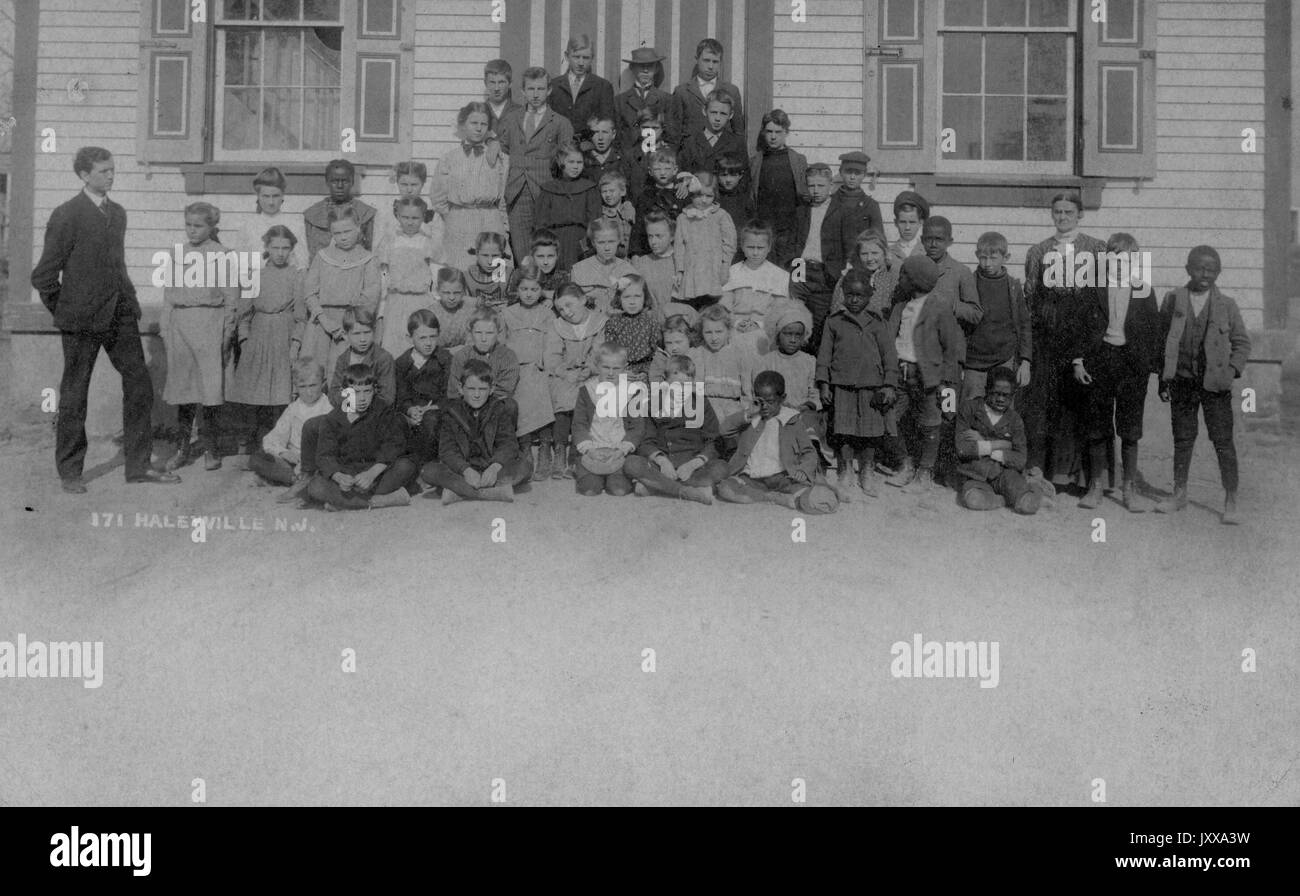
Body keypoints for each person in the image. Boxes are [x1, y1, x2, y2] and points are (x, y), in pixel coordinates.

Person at [32, 147, 180, 491]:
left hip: (119, 315)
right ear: (84, 175)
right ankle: (70, 472)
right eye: (103, 172)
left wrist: (130, 301)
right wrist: (67, 311)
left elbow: (118, 265)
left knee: (140, 384)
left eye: (112, 170)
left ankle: (139, 465)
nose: (110, 176)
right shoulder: (66, 214)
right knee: (75, 393)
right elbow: (44, 276)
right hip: (80, 321)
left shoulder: (118, 213)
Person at [1064, 232, 1162, 512]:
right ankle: (1095, 485)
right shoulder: (1093, 289)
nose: (1119, 265)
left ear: (1135, 261)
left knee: (1130, 429)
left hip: (1131, 366)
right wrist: (1078, 362)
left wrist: (1148, 368)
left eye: (1126, 260)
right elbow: (1079, 329)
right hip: (1100, 361)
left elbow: (1152, 332)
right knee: (1097, 426)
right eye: (1114, 259)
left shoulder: (1144, 290)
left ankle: (1129, 489)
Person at [1155, 245, 1251, 524]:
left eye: (1211, 269)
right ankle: (1179, 494)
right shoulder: (1174, 299)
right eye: (1199, 268)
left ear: (1218, 272)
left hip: (1215, 386)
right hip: (1183, 382)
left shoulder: (1227, 305)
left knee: (1223, 442)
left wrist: (1231, 371)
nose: (1205, 274)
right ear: (1188, 270)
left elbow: (1242, 343)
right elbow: (1163, 340)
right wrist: (1164, 378)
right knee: (1183, 440)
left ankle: (1231, 498)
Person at [1022, 192, 1108, 488]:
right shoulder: (1038, 251)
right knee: (1048, 403)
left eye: (1068, 212)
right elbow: (1031, 298)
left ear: (1080, 214)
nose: (1062, 217)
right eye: (1057, 212)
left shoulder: (1096, 249)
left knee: (1079, 404)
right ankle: (1045, 472)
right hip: (1049, 337)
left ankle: (1080, 475)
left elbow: (1104, 297)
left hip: (1083, 337)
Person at [161, 201, 238, 473]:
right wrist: (165, 329)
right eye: (188, 225)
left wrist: (227, 334)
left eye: (198, 226)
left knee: (210, 391)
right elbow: (169, 296)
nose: (192, 231)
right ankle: (182, 447)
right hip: (181, 325)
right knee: (184, 390)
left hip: (209, 324)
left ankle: (212, 447)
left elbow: (231, 300)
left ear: (212, 227)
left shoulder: (223, 255)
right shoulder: (176, 253)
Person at [816, 270, 899, 500]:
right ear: (842, 294)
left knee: (870, 433)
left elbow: (889, 357)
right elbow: (824, 355)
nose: (854, 300)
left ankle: (867, 470)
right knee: (844, 431)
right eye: (849, 295)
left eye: (859, 296)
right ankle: (845, 470)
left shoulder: (877, 323)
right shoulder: (834, 322)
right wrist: (824, 383)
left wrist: (889, 384)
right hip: (842, 387)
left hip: (871, 388)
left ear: (869, 296)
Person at [884, 255, 963, 496]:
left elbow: (953, 348)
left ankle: (925, 472)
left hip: (928, 378)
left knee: (931, 424)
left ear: (916, 280)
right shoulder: (899, 307)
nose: (900, 281)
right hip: (900, 374)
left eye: (904, 276)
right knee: (888, 419)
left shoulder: (939, 308)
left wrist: (946, 383)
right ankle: (905, 464)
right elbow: (889, 340)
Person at [228, 225, 306, 451]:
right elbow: (244, 314)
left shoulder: (297, 276)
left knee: (281, 393)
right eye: (275, 247)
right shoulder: (255, 275)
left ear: (292, 249)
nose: (280, 253)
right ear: (266, 248)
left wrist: (296, 343)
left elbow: (301, 316)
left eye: (285, 248)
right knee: (253, 391)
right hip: (258, 336)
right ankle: (250, 443)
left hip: (284, 333)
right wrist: (244, 340)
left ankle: (279, 444)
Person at [715, 371, 838, 513]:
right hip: (752, 478)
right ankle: (771, 497)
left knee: (821, 500)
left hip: (784, 478)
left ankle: (779, 496)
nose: (765, 406)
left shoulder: (792, 420)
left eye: (770, 401)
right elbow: (724, 430)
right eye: (760, 401)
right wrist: (748, 413)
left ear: (782, 398)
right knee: (724, 488)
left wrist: (803, 470)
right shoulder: (751, 418)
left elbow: (809, 452)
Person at [420, 358, 533, 504]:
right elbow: (447, 450)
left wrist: (494, 467)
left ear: (491, 389)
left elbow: (508, 444)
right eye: (471, 389)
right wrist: (465, 470)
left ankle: (460, 492)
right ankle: (493, 493)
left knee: (525, 467)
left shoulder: (499, 409)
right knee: (428, 471)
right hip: (463, 471)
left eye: (482, 389)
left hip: (492, 470)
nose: (477, 395)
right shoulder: (451, 412)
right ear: (461, 388)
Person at [307, 364, 416, 510]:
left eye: (367, 391)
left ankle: (345, 502)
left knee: (405, 466)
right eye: (356, 392)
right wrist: (338, 476)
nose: (362, 398)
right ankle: (382, 501)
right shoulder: (332, 419)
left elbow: (393, 446)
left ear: (374, 390)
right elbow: (324, 455)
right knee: (315, 487)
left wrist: (372, 473)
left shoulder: (383, 411)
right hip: (349, 476)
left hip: (377, 473)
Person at [623, 353, 727, 505]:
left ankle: (656, 487)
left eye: (687, 384)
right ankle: (685, 491)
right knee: (632, 463)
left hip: (693, 465)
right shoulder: (654, 403)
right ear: (665, 382)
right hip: (663, 465)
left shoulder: (701, 402)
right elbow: (646, 441)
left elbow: (714, 440)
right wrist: (662, 462)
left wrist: (693, 464)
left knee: (721, 468)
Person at [498, 67, 573, 262]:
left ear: (549, 91)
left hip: (545, 193)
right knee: (521, 249)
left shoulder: (560, 123)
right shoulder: (511, 119)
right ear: (523, 91)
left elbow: (567, 163)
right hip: (516, 191)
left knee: (545, 247)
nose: (536, 94)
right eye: (531, 89)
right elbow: (503, 154)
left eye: (540, 89)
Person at [301, 205, 382, 375]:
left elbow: (370, 298)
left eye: (348, 231)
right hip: (321, 322)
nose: (343, 237)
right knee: (314, 370)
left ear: (358, 228)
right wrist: (324, 319)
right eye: (337, 233)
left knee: (341, 372)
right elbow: (309, 292)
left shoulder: (368, 259)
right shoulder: (322, 256)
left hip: (350, 325)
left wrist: (348, 326)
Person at [431, 102, 508, 268]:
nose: (479, 128)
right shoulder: (450, 158)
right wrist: (454, 217)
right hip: (460, 221)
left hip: (490, 219)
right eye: (474, 123)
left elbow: (502, 195)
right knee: (461, 270)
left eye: (483, 124)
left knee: (496, 271)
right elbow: (438, 197)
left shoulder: (498, 157)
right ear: (463, 125)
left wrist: (502, 224)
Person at [954, 367, 1040, 514]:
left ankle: (1030, 491)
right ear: (986, 389)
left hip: (1005, 474)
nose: (1000, 399)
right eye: (996, 393)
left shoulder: (1015, 420)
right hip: (975, 474)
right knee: (974, 500)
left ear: (1013, 395)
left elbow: (1020, 459)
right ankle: (1001, 500)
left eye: (1006, 395)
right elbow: (962, 449)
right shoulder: (969, 409)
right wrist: (999, 444)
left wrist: (985, 445)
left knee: (1027, 505)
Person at [544, 284, 608, 480]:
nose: (566, 312)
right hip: (566, 374)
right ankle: (560, 448)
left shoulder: (600, 322)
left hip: (593, 373)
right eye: (561, 309)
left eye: (570, 305)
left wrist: (589, 369)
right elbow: (552, 356)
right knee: (562, 395)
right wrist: (565, 372)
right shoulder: (558, 326)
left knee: (588, 396)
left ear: (582, 300)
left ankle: (576, 454)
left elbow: (600, 352)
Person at [501, 262, 558, 475]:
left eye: (534, 289)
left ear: (541, 290)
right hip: (516, 368)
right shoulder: (507, 313)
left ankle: (545, 445)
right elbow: (502, 343)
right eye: (524, 289)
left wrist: (546, 365)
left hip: (539, 367)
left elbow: (552, 344)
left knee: (542, 387)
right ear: (517, 288)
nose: (529, 294)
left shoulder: (547, 314)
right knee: (520, 392)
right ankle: (524, 445)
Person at [961, 231, 1031, 404]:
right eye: (983, 258)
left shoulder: (1013, 287)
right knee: (970, 409)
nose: (987, 264)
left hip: (1004, 360)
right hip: (973, 362)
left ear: (1006, 257)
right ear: (977, 256)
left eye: (993, 258)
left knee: (1002, 410)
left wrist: (1026, 362)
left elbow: (1024, 324)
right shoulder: (968, 283)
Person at [251, 357, 332, 500]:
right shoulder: (293, 409)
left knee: (323, 471)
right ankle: (296, 480)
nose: (308, 392)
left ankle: (301, 480)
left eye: (313, 385)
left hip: (315, 462)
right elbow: (272, 439)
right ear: (295, 386)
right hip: (293, 460)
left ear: (323, 384)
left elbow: (329, 447)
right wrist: (284, 453)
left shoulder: (328, 410)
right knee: (257, 458)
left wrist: (306, 463)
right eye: (303, 387)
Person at [571, 342, 646, 497]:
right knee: (589, 489)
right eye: (606, 367)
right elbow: (579, 424)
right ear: (597, 366)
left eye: (616, 368)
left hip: (618, 450)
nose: (611, 373)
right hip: (593, 448)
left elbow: (637, 427)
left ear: (625, 367)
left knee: (619, 489)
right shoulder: (587, 390)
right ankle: (586, 471)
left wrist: (622, 449)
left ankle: (616, 475)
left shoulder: (631, 391)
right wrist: (589, 449)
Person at [375, 196, 440, 358]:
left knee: (419, 344)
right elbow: (384, 276)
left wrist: (435, 300)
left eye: (415, 218)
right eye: (405, 217)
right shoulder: (390, 242)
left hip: (420, 301)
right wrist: (381, 310)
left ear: (423, 218)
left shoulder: (427, 242)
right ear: (397, 216)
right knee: (394, 347)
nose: (410, 222)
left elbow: (436, 274)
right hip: (395, 301)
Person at [721, 220, 789, 360]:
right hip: (735, 328)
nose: (755, 253)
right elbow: (724, 308)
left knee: (760, 347)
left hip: (764, 330)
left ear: (769, 247)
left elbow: (779, 312)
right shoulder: (731, 273)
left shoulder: (779, 275)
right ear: (742, 247)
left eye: (760, 247)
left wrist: (759, 325)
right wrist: (737, 323)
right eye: (751, 247)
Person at [393, 309, 452, 468]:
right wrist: (411, 410)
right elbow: (401, 396)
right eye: (422, 338)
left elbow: (449, 394)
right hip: (412, 413)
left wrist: (431, 408)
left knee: (432, 420)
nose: (428, 343)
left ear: (438, 335)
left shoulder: (445, 359)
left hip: (436, 411)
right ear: (410, 338)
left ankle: (430, 465)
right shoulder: (401, 363)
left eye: (433, 337)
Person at [750, 110, 809, 267]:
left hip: (788, 231)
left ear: (786, 132)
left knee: (786, 275)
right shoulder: (755, 161)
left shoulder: (798, 161)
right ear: (763, 132)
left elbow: (803, 198)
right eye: (769, 131)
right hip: (764, 230)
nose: (773, 136)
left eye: (778, 132)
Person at [789, 163, 838, 352]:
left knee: (818, 322)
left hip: (824, 271)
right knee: (795, 316)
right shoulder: (801, 210)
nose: (815, 191)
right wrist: (791, 264)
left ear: (831, 186)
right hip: (800, 267)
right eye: (811, 186)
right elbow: (792, 240)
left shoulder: (838, 211)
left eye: (820, 186)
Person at [674, 172, 736, 310]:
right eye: (699, 195)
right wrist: (680, 270)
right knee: (692, 306)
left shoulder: (720, 216)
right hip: (692, 269)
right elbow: (679, 246)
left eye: (709, 196)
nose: (703, 200)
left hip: (713, 269)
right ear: (691, 194)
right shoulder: (683, 218)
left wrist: (725, 267)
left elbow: (730, 244)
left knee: (712, 306)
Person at [535, 141, 601, 270]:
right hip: (554, 243)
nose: (576, 166)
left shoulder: (589, 188)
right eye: (571, 162)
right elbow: (540, 224)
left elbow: (595, 221)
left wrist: (587, 245)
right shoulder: (548, 189)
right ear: (561, 163)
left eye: (579, 162)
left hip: (582, 242)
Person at [231, 167, 309, 271]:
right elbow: (240, 265)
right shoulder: (248, 226)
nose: (271, 202)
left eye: (275, 196)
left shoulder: (295, 225)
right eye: (266, 196)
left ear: (282, 195)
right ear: (258, 196)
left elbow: (302, 264)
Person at [671, 38, 746, 145]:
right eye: (706, 60)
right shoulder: (682, 92)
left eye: (715, 62)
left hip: (722, 154)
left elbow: (738, 131)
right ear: (697, 59)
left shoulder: (731, 91)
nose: (711, 66)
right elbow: (674, 131)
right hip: (691, 154)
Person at [303, 159, 376, 260]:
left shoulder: (365, 213)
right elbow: (310, 252)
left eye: (345, 181)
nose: (340, 186)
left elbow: (369, 250)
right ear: (327, 182)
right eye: (334, 181)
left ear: (352, 182)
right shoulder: (312, 214)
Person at [548, 33, 616, 141]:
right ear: (566, 56)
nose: (580, 63)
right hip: (560, 149)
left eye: (585, 58)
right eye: (576, 57)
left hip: (589, 149)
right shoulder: (553, 85)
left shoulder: (603, 87)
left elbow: (607, 123)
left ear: (592, 58)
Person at [326, 307, 396, 409]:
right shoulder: (343, 359)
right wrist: (351, 404)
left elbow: (387, 398)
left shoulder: (383, 358)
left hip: (374, 413)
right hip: (348, 410)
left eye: (367, 332)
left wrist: (360, 402)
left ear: (374, 331)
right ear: (346, 335)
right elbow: (333, 395)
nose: (363, 339)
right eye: (356, 334)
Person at [614, 46, 680, 151]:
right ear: (632, 68)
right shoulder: (619, 101)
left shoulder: (667, 100)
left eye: (650, 66)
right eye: (641, 66)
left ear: (657, 68)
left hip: (656, 158)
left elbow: (673, 137)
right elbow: (616, 137)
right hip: (628, 159)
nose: (645, 70)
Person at [447, 309, 520, 402]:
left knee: (510, 406)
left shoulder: (508, 356)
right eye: (478, 333)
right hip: (465, 404)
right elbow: (454, 390)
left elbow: (504, 391)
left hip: (493, 404)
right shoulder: (462, 355)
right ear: (471, 333)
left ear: (498, 333)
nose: (483, 339)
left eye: (489, 333)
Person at [601, 274, 662, 383]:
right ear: (619, 299)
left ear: (645, 297)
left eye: (637, 296)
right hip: (620, 371)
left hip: (647, 371)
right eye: (627, 297)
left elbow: (656, 353)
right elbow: (610, 353)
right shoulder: (613, 323)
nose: (632, 302)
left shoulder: (651, 322)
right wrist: (621, 371)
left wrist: (646, 372)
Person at [630, 146, 690, 256]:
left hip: (678, 250)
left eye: (667, 169)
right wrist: (635, 254)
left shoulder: (681, 194)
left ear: (675, 170)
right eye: (657, 169)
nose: (662, 173)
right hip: (651, 250)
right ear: (650, 171)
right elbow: (638, 228)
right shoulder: (645, 196)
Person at [570, 218, 636, 315]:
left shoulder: (628, 270)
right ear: (593, 243)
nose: (607, 248)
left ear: (618, 241)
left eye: (611, 241)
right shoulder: (578, 270)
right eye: (601, 242)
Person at [828, 230, 899, 320]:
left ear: (884, 253)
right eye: (864, 254)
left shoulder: (893, 277)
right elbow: (837, 308)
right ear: (858, 255)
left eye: (874, 253)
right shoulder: (849, 277)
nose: (869, 258)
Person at [632, 211, 687, 325]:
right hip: (650, 326)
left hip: (679, 327)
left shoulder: (683, 261)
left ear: (672, 236)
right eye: (650, 236)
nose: (653, 242)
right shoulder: (641, 263)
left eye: (659, 236)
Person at [677, 93, 747, 178]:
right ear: (704, 111)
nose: (717, 118)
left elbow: (745, 179)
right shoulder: (690, 142)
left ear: (731, 115)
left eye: (723, 114)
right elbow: (682, 174)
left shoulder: (737, 143)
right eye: (714, 112)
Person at [714, 154, 754, 262]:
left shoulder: (746, 197)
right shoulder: (713, 198)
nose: (728, 180)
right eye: (724, 175)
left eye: (732, 175)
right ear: (717, 175)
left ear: (740, 175)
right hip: (717, 248)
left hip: (739, 249)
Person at [463, 231, 513, 313]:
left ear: (502, 255)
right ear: (477, 253)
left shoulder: (510, 275)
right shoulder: (467, 277)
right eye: (485, 255)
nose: (490, 261)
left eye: (495, 255)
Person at [431, 267, 476, 350]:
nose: (452, 297)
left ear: (463, 292)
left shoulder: (471, 312)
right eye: (446, 292)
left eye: (457, 292)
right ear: (438, 291)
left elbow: (473, 342)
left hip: (464, 355)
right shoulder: (431, 313)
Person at [581, 116, 630, 191]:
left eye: (605, 132)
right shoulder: (582, 160)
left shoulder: (623, 159)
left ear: (613, 134)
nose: (600, 137)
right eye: (595, 132)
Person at [597, 171, 636, 258]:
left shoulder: (630, 210)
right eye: (604, 191)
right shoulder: (600, 214)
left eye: (611, 191)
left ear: (623, 192)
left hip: (630, 259)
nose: (607, 195)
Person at [888, 190, 929, 268]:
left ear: (920, 223)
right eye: (903, 222)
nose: (907, 227)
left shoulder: (926, 251)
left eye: (912, 222)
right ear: (895, 222)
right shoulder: (887, 252)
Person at [483, 58, 522, 125]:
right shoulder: (477, 112)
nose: (496, 88)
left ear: (510, 84)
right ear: (485, 83)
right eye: (492, 82)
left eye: (501, 82)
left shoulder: (521, 113)